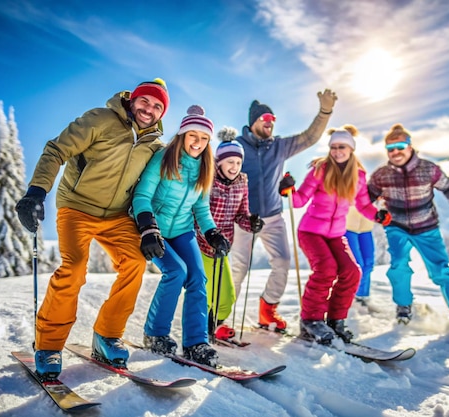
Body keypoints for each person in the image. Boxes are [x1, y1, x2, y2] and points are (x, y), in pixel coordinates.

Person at [14, 78, 170, 379]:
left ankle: (107, 335)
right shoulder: (100, 119)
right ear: (132, 99)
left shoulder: (154, 145)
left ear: (162, 113)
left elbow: (154, 187)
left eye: (157, 106)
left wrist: (150, 227)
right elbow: (56, 149)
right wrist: (36, 191)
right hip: (77, 206)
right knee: (74, 268)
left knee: (136, 263)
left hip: (116, 215)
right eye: (145, 101)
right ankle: (48, 345)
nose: (149, 109)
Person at [230, 89, 338, 332]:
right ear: (254, 121)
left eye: (273, 120)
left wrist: (325, 111)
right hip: (242, 218)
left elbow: (309, 137)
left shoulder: (279, 146)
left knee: (282, 261)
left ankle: (267, 311)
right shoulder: (237, 146)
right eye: (265, 119)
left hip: (273, 216)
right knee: (239, 268)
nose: (270, 123)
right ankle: (217, 316)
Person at [131, 105, 230, 367]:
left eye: (204, 138)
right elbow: (142, 195)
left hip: (183, 230)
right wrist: (148, 228)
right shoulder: (164, 158)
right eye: (193, 136)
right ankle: (155, 335)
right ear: (183, 136)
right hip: (155, 229)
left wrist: (212, 233)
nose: (198, 143)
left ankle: (196, 343)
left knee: (198, 277)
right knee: (176, 272)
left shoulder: (205, 167)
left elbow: (201, 207)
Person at [278, 125, 391, 344]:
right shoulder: (320, 170)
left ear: (351, 149)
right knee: (326, 270)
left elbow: (363, 204)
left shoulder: (357, 177)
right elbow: (300, 199)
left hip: (337, 235)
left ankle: (335, 320)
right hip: (311, 231)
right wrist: (287, 190)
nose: (337, 151)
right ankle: (311, 320)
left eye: (342, 147)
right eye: (334, 147)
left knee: (352, 271)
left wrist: (377, 216)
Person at [367, 123, 449, 336]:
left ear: (410, 146)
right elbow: (366, 198)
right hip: (396, 226)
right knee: (399, 266)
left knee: (441, 269)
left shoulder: (428, 169)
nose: (395, 152)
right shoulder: (381, 175)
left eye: (400, 146)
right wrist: (377, 213)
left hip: (426, 226)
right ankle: (403, 307)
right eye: (390, 149)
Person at [195, 127, 265, 341]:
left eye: (238, 162)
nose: (234, 167)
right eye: (230, 162)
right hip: (201, 244)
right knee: (206, 296)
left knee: (227, 298)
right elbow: (197, 212)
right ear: (219, 162)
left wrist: (251, 222)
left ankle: (214, 326)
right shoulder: (207, 179)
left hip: (223, 247)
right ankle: (199, 334)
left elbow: (241, 215)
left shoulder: (242, 182)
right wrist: (209, 235)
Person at [345, 205, 375, 305]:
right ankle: (353, 297)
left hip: (366, 226)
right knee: (357, 265)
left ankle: (362, 297)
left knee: (368, 264)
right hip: (348, 226)